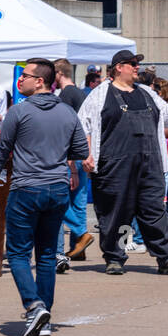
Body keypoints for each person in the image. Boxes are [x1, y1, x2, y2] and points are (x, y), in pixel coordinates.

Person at [0, 58, 89, 336]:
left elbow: (1, 151)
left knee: (17, 253)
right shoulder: (67, 112)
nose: (20, 81)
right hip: (56, 189)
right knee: (45, 254)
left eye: (25, 76)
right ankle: (44, 317)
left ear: (39, 81)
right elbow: (79, 149)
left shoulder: (19, 112)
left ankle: (34, 305)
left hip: (27, 188)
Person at [78, 49, 168, 276]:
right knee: (116, 213)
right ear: (118, 67)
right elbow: (83, 126)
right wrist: (86, 155)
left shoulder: (147, 92)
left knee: (154, 211)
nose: (137, 67)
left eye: (137, 64)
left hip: (150, 164)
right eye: (132, 64)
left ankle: (167, 257)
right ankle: (115, 258)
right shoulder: (99, 95)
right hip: (114, 166)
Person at [53, 59, 94, 267]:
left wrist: (70, 163)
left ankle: (68, 245)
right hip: (81, 154)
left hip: (71, 157)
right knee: (78, 203)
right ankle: (79, 248)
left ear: (58, 73)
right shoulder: (80, 94)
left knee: (60, 205)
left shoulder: (66, 96)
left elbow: (68, 130)